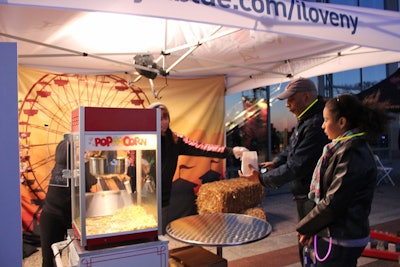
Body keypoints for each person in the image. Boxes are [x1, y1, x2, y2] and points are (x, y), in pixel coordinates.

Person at [240, 77, 329, 265]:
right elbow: (292, 150)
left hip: (313, 198)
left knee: (313, 248)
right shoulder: (306, 120)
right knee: (308, 246)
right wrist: (276, 162)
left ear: (306, 97)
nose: (287, 105)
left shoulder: (315, 124)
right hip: (306, 195)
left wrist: (262, 180)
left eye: (291, 99)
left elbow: (297, 165)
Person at [295, 94, 392, 266]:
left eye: (326, 120)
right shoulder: (344, 148)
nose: (323, 125)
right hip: (340, 234)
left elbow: (334, 202)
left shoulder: (351, 151)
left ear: (341, 122)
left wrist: (305, 227)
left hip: (342, 238)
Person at [148, 102, 248, 234]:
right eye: (159, 119)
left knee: (158, 236)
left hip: (164, 198)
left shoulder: (175, 140)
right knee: (143, 234)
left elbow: (202, 148)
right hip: (145, 196)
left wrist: (231, 151)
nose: (163, 122)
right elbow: (134, 165)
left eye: (165, 118)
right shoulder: (143, 139)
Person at [40, 135, 96, 267]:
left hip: (74, 217)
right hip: (52, 215)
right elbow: (62, 151)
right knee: (49, 259)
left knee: (76, 256)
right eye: (78, 148)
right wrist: (77, 146)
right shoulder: (62, 162)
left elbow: (91, 182)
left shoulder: (83, 166)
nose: (83, 152)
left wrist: (86, 163)